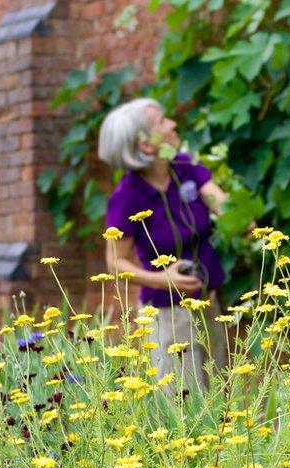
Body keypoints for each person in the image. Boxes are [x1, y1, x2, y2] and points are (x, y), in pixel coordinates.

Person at [97, 97, 228, 393]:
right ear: (145, 145)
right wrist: (162, 278)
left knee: (220, 403)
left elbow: (222, 204)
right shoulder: (127, 197)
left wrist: (246, 222)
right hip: (168, 317)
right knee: (184, 410)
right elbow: (114, 263)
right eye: (161, 122)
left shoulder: (185, 166)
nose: (172, 124)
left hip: (209, 304)